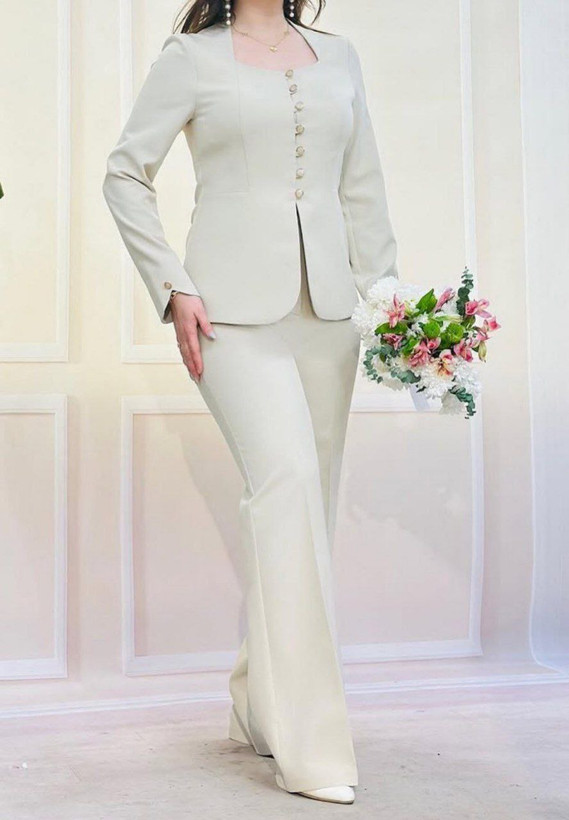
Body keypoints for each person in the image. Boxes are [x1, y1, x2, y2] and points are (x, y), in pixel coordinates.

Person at [103, 0, 399, 805]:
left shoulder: (338, 55)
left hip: (329, 317)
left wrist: (388, 299)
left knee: (306, 513)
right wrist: (172, 284)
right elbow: (125, 172)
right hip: (227, 315)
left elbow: (362, 187)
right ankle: (311, 744)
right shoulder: (191, 58)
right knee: (286, 486)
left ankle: (258, 700)